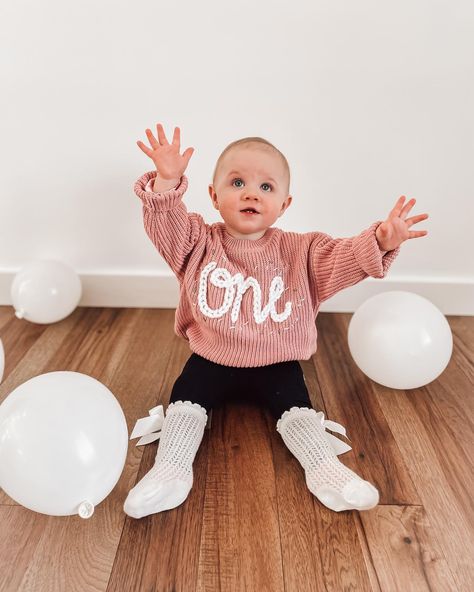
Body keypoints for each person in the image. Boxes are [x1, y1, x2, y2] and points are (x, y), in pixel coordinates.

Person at [123, 123, 429, 519]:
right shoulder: (196, 243)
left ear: (284, 204)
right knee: (184, 404)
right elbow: (166, 225)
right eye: (237, 182)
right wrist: (167, 180)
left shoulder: (302, 252)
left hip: (276, 364)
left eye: (266, 187)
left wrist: (381, 241)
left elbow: (344, 258)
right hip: (211, 358)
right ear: (214, 197)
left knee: (299, 411)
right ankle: (170, 473)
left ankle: (327, 472)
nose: (251, 193)